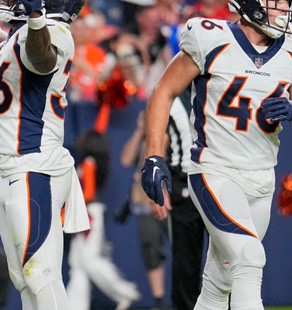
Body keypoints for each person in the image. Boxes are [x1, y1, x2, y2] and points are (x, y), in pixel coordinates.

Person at [141, 0, 292, 309]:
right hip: (215, 171)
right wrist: (153, 153)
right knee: (249, 259)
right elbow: (162, 91)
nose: (286, 8)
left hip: (261, 177)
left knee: (219, 282)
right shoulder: (210, 38)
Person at [0, 0, 89, 309]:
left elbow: (42, 58)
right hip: (17, 168)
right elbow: (2, 51)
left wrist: (36, 22)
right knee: (24, 278)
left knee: (41, 272)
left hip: (36, 165)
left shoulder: (55, 34)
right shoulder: (23, 34)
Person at [65, 129, 140, 310]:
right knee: (78, 264)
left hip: (87, 214)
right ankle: (75, 306)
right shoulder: (93, 162)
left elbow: (89, 193)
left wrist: (73, 204)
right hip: (86, 212)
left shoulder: (89, 163)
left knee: (90, 260)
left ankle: (125, 291)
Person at [149, 90, 206, 310]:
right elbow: (159, 138)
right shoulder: (170, 94)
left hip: (218, 180)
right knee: (185, 263)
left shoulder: (215, 81)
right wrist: (159, 184)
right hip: (183, 183)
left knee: (224, 260)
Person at [119, 110, 170, 310]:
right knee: (150, 248)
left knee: (183, 244)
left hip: (171, 201)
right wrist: (140, 131)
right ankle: (159, 301)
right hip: (145, 202)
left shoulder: (168, 134)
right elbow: (125, 159)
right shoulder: (141, 140)